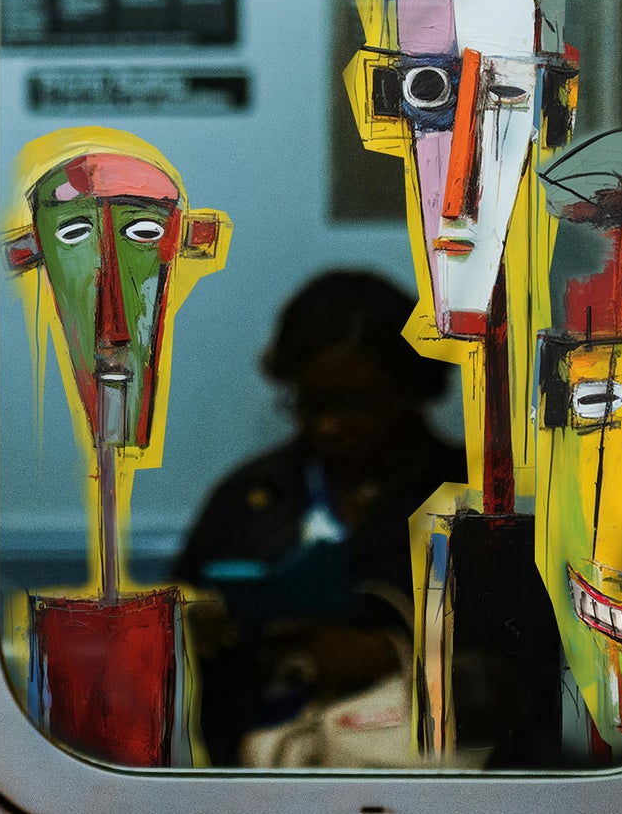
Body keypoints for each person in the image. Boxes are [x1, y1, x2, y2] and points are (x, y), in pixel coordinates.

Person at [175, 270, 464, 766]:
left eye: (355, 404)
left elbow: (535, 664)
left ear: (413, 388)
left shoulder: (473, 496)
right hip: (266, 769)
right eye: (312, 404)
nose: (330, 426)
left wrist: (391, 652)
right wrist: (196, 626)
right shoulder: (254, 495)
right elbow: (181, 602)